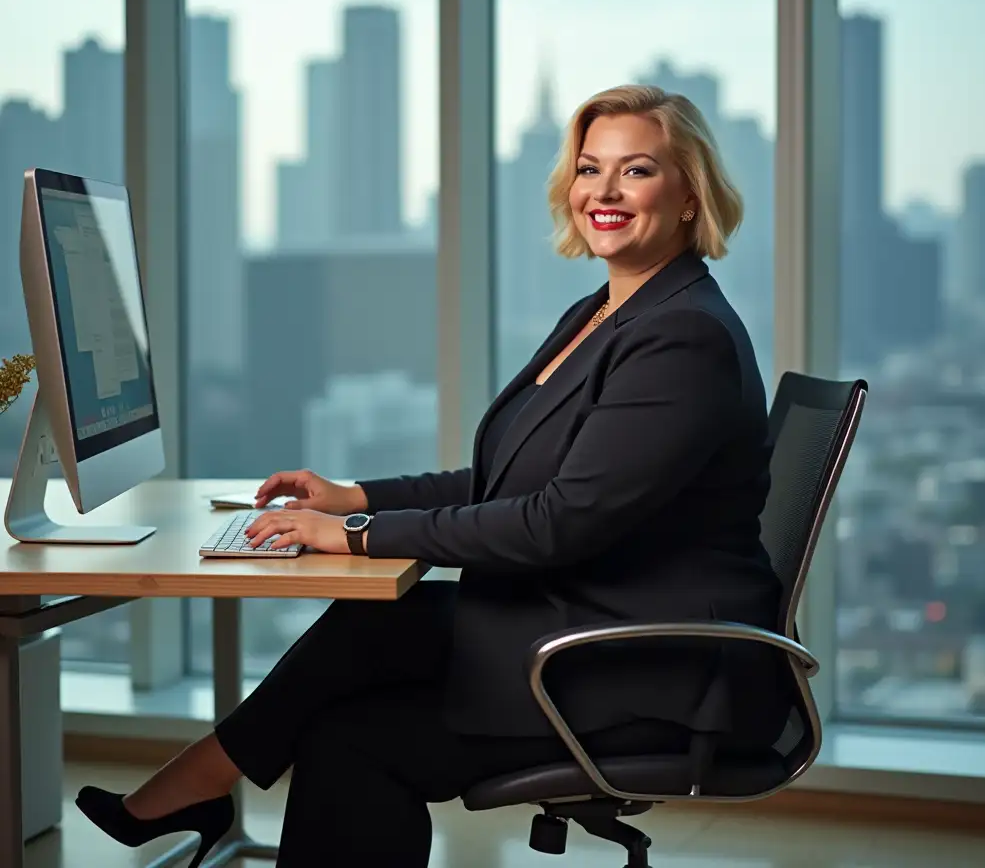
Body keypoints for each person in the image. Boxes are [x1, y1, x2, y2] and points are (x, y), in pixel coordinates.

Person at [77, 84, 792, 866]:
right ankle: (200, 786)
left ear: (691, 194)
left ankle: (196, 785)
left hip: (646, 674)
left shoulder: (681, 338)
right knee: (370, 648)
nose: (605, 192)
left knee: (356, 720)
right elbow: (502, 479)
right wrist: (355, 498)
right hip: (589, 629)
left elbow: (553, 522)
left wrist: (351, 535)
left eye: (638, 171)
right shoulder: (608, 314)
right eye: (590, 170)